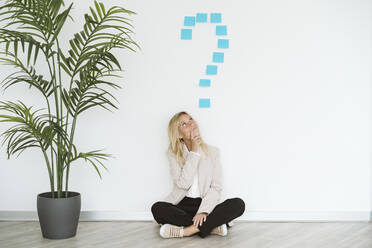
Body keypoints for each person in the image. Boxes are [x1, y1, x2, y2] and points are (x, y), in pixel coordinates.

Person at [151, 111, 245, 238]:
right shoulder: (173, 154)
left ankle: (186, 231)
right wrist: (194, 152)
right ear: (179, 134)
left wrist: (204, 211)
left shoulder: (213, 152)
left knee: (238, 204)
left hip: (205, 204)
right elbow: (184, 184)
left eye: (190, 119)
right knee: (157, 208)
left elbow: (216, 187)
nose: (191, 124)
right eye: (184, 124)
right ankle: (211, 226)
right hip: (182, 206)